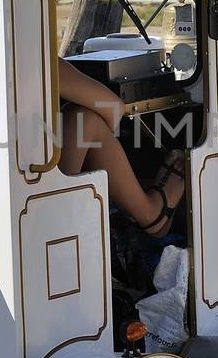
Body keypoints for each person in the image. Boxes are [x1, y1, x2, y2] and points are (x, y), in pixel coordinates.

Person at [58, 59, 184, 234]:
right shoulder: (27, 57)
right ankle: (148, 213)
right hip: (37, 203)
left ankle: (124, 198)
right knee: (85, 120)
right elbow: (113, 108)